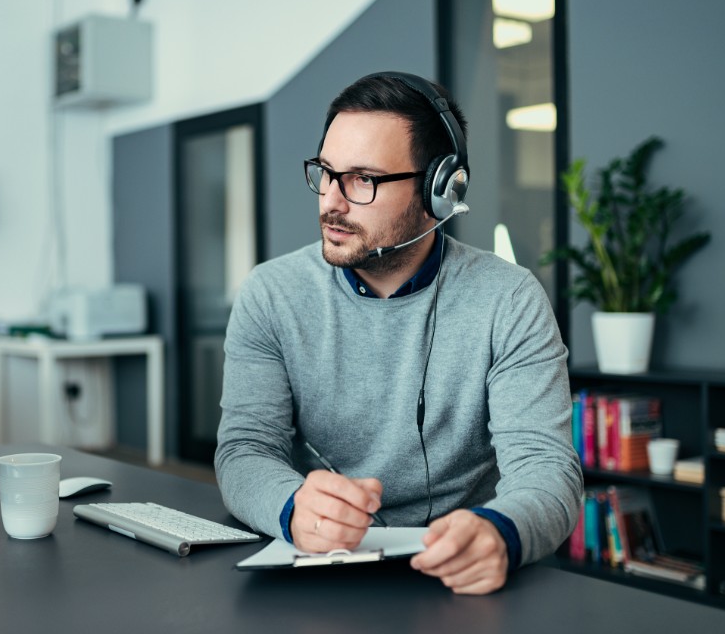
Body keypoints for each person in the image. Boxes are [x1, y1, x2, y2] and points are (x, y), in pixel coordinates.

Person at [215, 71, 582, 595]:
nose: (331, 202)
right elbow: (244, 450)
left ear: (439, 191)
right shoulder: (271, 294)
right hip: (318, 569)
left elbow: (547, 468)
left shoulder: (509, 299)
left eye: (363, 179)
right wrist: (292, 506)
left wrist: (502, 533)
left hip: (460, 576)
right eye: (325, 172)